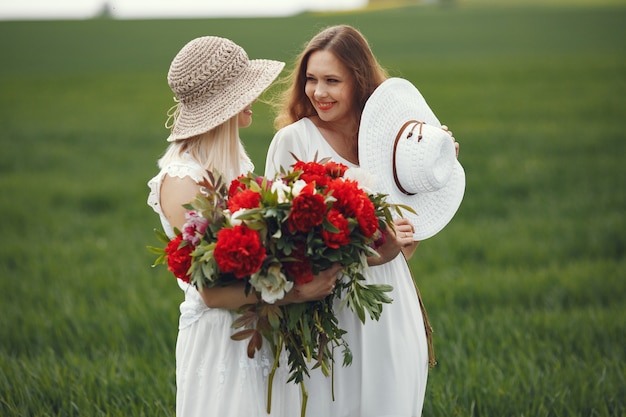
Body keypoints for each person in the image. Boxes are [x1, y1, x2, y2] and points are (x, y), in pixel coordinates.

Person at [264, 25, 464, 417]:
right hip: (326, 311)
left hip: (390, 306)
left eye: (332, 81)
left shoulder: (394, 143)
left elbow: (406, 243)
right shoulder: (294, 142)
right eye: (311, 79)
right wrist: (374, 254)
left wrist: (433, 168)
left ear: (359, 82)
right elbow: (280, 246)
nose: (318, 92)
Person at [147, 36, 339, 417]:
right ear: (222, 104)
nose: (255, 95)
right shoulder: (183, 180)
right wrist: (298, 292)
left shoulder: (238, 168)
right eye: (244, 90)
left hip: (258, 331)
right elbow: (213, 293)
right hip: (221, 342)